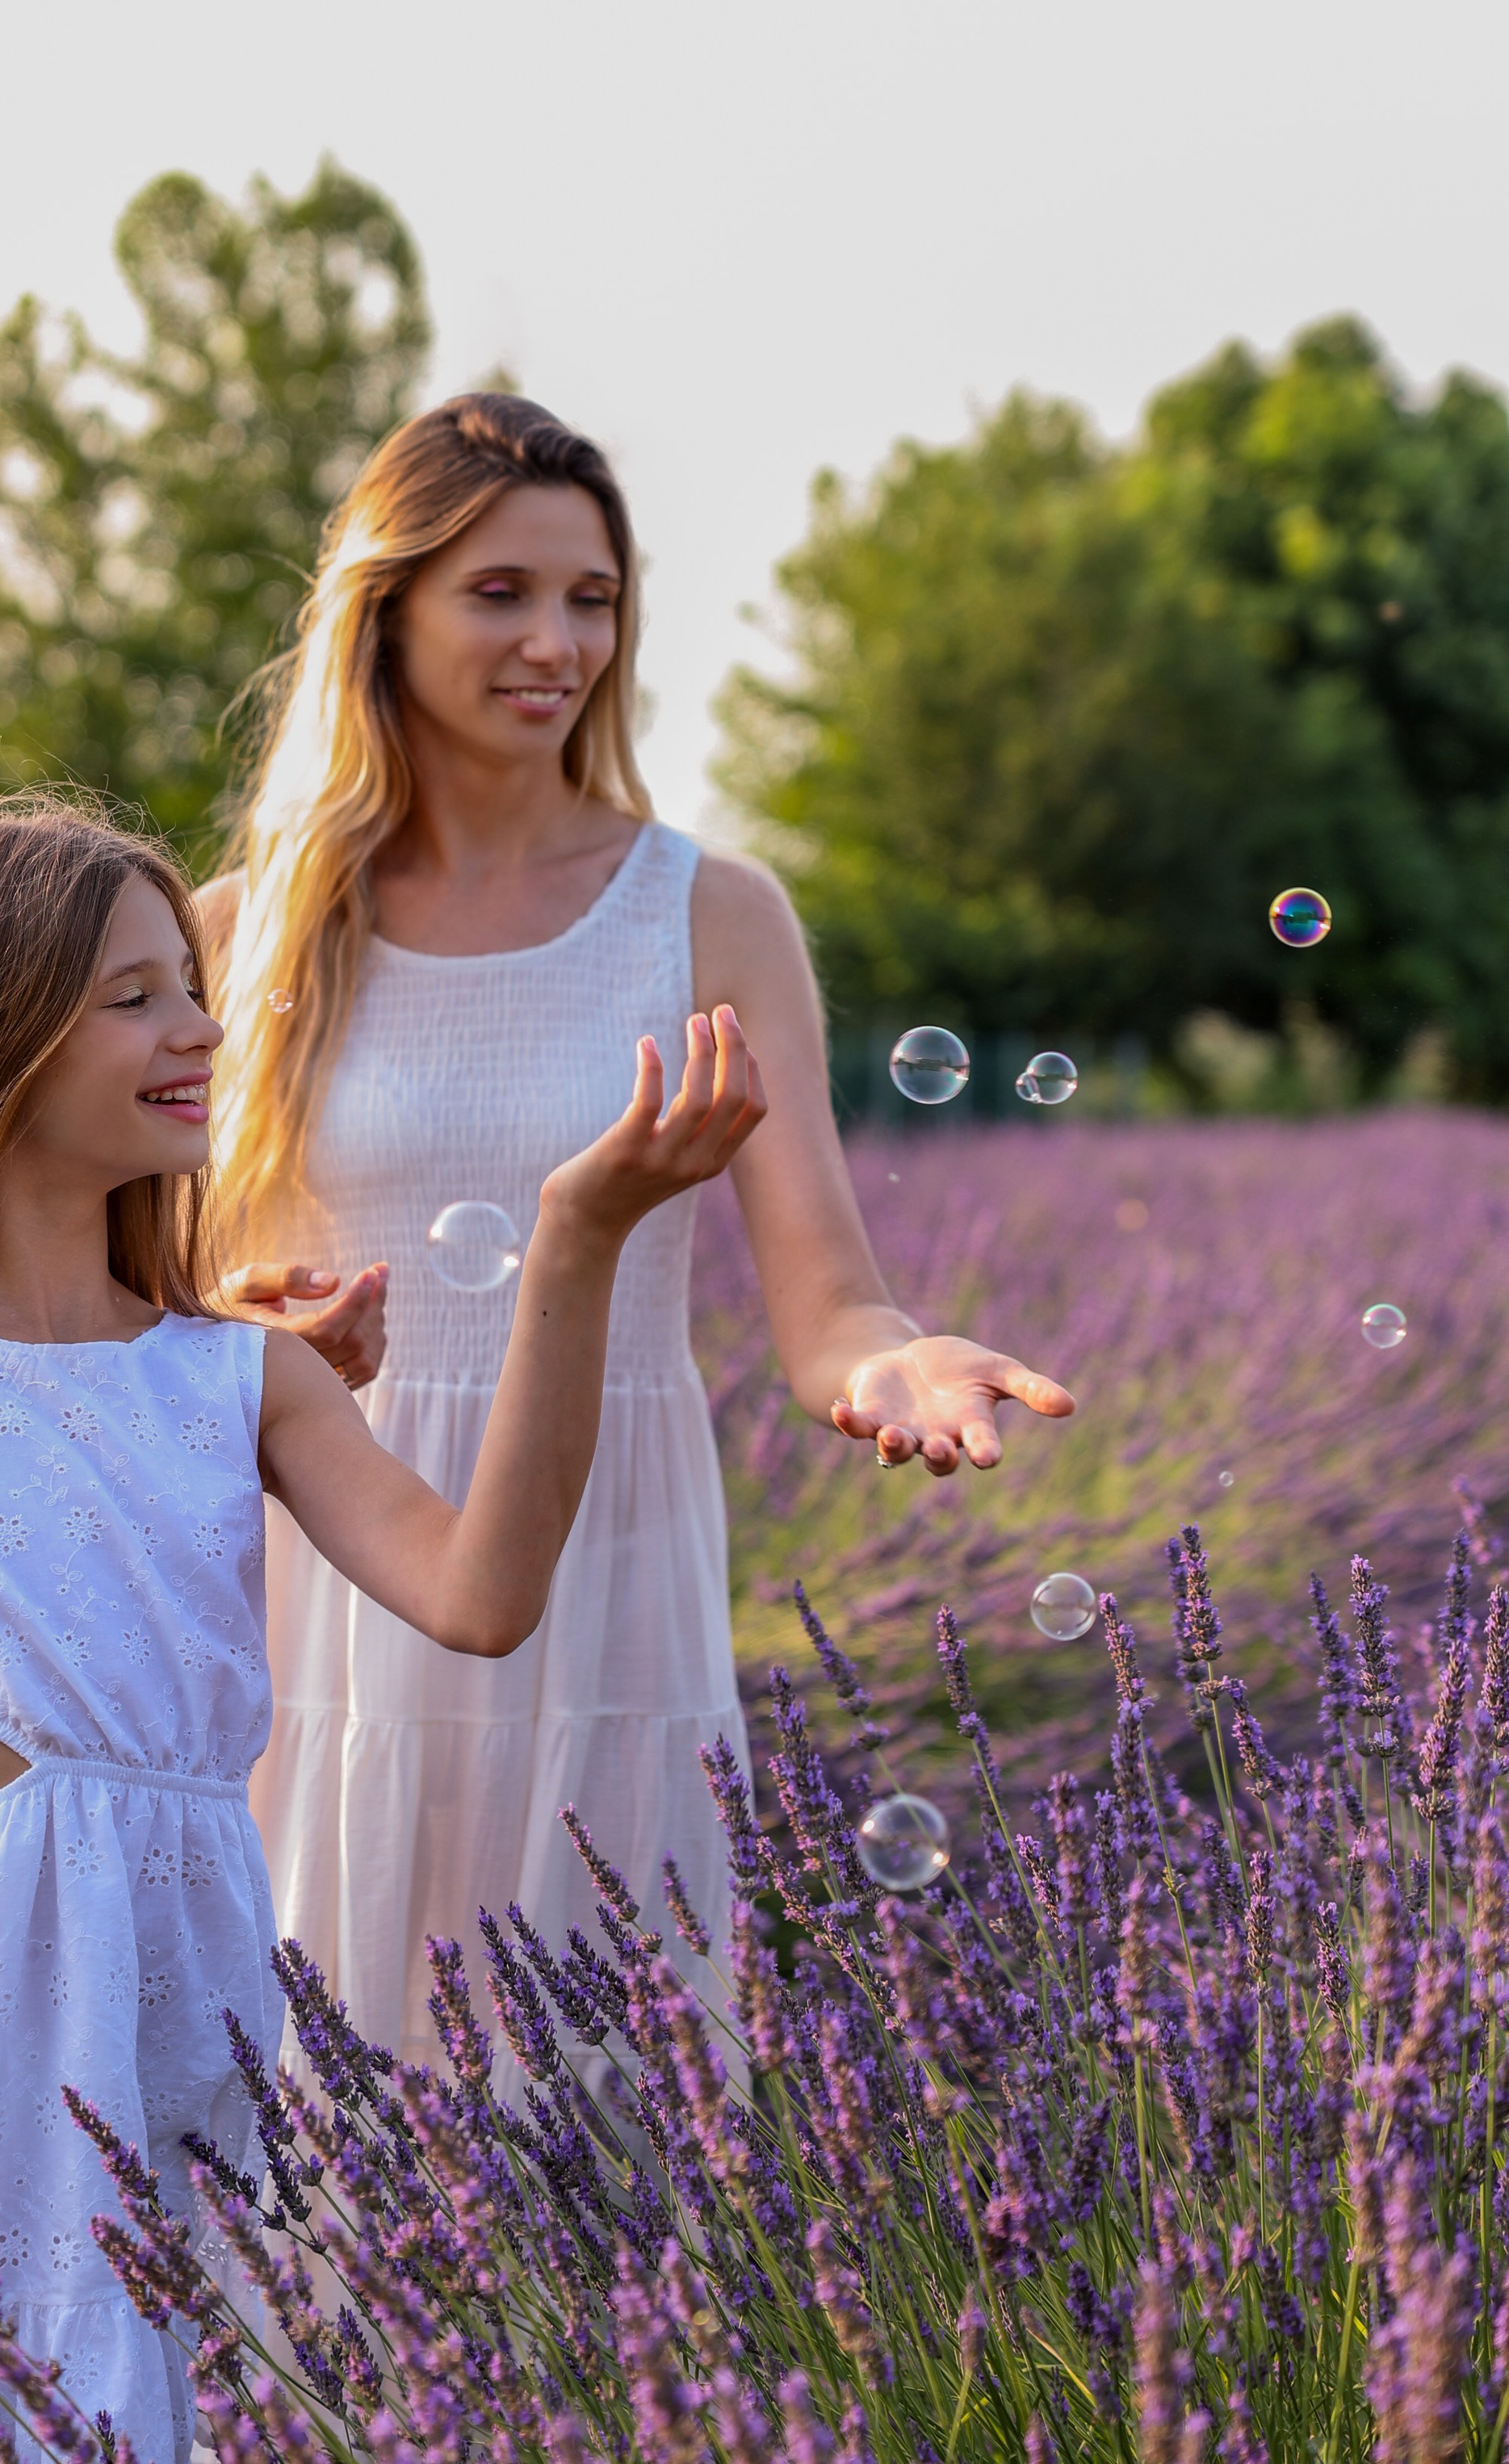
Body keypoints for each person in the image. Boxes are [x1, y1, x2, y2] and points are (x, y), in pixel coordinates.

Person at [0, 791, 761, 2464]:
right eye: (132, 995)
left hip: (184, 2042)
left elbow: (482, 1593)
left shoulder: (238, 1377)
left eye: (190, 988)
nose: (199, 1027)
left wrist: (580, 1233)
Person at [202, 392, 1075, 2073]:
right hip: (327, 1550)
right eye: (502, 594)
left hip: (601, 1546)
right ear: (383, 612)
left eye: (590, 599)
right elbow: (149, 1300)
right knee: (306, 2076)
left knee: (594, 2075)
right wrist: (245, 1321)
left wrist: (893, 1364)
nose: (556, 643)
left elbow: (826, 1298)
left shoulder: (706, 911)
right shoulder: (241, 935)